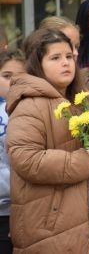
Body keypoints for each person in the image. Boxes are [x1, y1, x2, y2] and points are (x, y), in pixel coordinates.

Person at [6, 28, 89, 253]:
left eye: (69, 56)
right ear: (37, 63)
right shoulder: (29, 105)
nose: (65, 63)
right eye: (55, 58)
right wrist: (86, 162)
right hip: (53, 229)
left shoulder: (85, 100)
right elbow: (26, 159)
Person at [0, 49, 25, 254]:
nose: (13, 82)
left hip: (22, 210)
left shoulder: (32, 109)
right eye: (7, 76)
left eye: (19, 77)